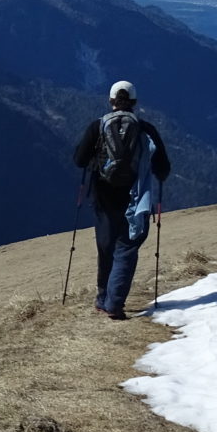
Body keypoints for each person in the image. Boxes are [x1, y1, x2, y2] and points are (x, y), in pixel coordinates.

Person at [72, 80, 171, 320]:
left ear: (111, 101)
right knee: (126, 248)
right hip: (135, 199)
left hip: (104, 198)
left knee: (106, 247)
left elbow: (79, 160)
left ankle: (101, 298)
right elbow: (163, 169)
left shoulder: (98, 126)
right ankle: (114, 304)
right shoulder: (146, 129)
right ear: (134, 103)